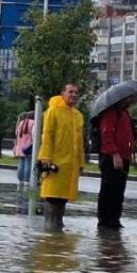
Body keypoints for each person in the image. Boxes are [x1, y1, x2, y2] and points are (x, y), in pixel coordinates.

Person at [38, 83, 84, 229]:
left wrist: (81, 163)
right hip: (55, 163)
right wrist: (45, 157)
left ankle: (58, 229)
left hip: (70, 166)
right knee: (53, 197)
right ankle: (50, 232)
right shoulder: (53, 111)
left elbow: (79, 142)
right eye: (70, 92)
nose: (74, 95)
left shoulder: (78, 116)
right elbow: (47, 135)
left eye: (76, 93)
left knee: (63, 198)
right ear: (62, 93)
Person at [96, 96, 135, 229]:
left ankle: (114, 218)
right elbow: (107, 134)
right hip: (110, 157)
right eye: (128, 99)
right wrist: (114, 154)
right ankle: (105, 219)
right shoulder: (111, 113)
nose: (130, 101)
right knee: (109, 188)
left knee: (119, 189)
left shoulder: (125, 114)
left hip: (124, 156)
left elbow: (126, 135)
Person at [12, 111, 35, 191]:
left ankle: (20, 180)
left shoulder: (21, 123)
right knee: (28, 163)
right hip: (28, 147)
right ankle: (26, 180)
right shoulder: (33, 123)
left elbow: (16, 133)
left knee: (21, 163)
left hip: (20, 146)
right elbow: (34, 134)